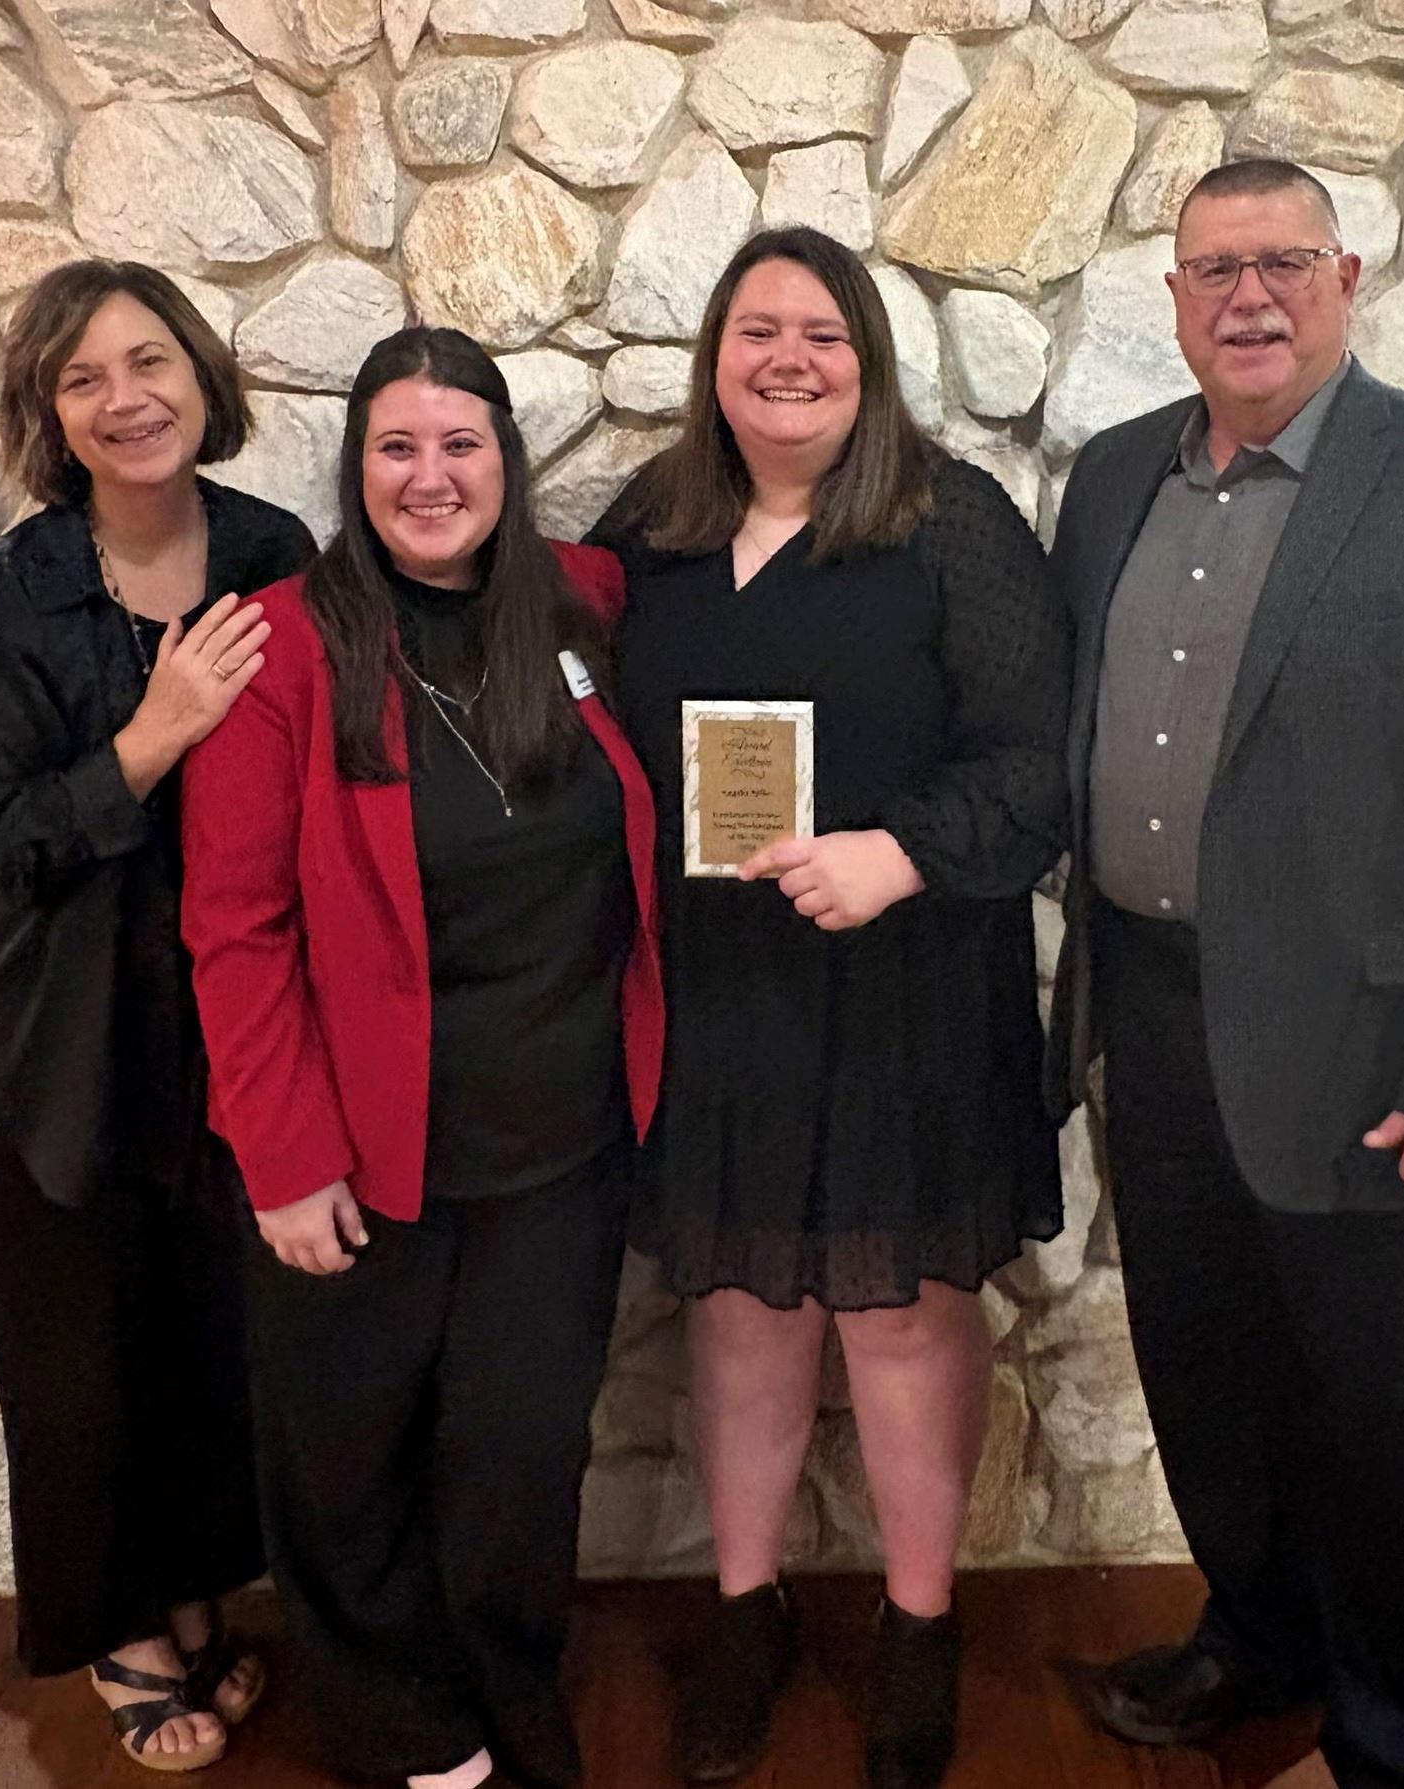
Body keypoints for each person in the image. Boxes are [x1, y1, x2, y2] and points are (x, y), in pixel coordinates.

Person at [1048, 160, 1404, 1789]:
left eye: (1283, 260)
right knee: (1207, 1369)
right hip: (1154, 1011)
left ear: (1345, 278)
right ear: (1175, 299)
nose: (1249, 295)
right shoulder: (1116, 476)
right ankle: (1263, 1631)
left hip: (1377, 1046)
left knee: (1395, 1415)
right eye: (1214, 268)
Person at [589, 225, 1070, 1789]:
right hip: (718, 995)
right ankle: (747, 1615)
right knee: (736, 1318)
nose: (786, 357)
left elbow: (1034, 764)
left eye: (821, 333)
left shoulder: (953, 526)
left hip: (907, 991)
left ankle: (919, 1628)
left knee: (902, 1318)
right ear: (712, 361)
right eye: (756, 332)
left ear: (866, 360)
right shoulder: (647, 536)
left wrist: (900, 852)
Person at [179, 325, 662, 1789]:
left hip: (564, 1143)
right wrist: (285, 1156)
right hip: (362, 1148)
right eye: (398, 446)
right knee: (343, 1464)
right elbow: (237, 926)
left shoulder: (580, 604)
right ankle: (403, 1726)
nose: (430, 475)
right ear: (357, 466)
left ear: (508, 463)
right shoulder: (284, 653)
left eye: (462, 444)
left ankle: (510, 1688)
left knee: (520, 1459)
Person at [0, 260, 314, 1772]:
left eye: (149, 361)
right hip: (48, 1038)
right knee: (80, 1356)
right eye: (82, 379)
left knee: (212, 1336)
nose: (125, 397)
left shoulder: (278, 555)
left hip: (224, 1022)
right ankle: (124, 1632)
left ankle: (200, 1593)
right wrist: (152, 738)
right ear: (49, 417)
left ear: (203, 380)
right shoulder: (2, 601)